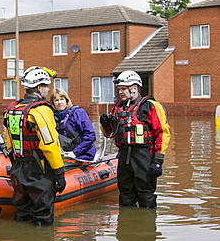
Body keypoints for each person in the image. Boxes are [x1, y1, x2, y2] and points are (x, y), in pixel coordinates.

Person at [3, 66, 66, 226]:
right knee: (42, 216)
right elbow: (49, 145)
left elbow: (10, 142)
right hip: (39, 171)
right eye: (46, 87)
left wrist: (16, 162)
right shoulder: (41, 110)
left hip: (18, 167)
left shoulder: (13, 109)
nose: (47, 90)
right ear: (39, 87)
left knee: (22, 212)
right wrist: (59, 172)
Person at [100, 70, 171, 208]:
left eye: (123, 89)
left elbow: (163, 133)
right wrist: (105, 124)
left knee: (145, 194)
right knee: (125, 194)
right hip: (124, 154)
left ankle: (147, 225)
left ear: (134, 88)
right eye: (119, 89)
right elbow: (110, 133)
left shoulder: (150, 106)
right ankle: (127, 224)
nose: (120, 92)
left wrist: (158, 160)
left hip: (143, 154)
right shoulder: (118, 107)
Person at [50, 88, 97, 161]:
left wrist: (75, 153)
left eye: (62, 99)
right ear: (53, 103)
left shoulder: (78, 112)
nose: (60, 102)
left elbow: (90, 135)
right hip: (65, 153)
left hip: (83, 154)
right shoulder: (52, 117)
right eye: (56, 100)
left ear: (66, 100)